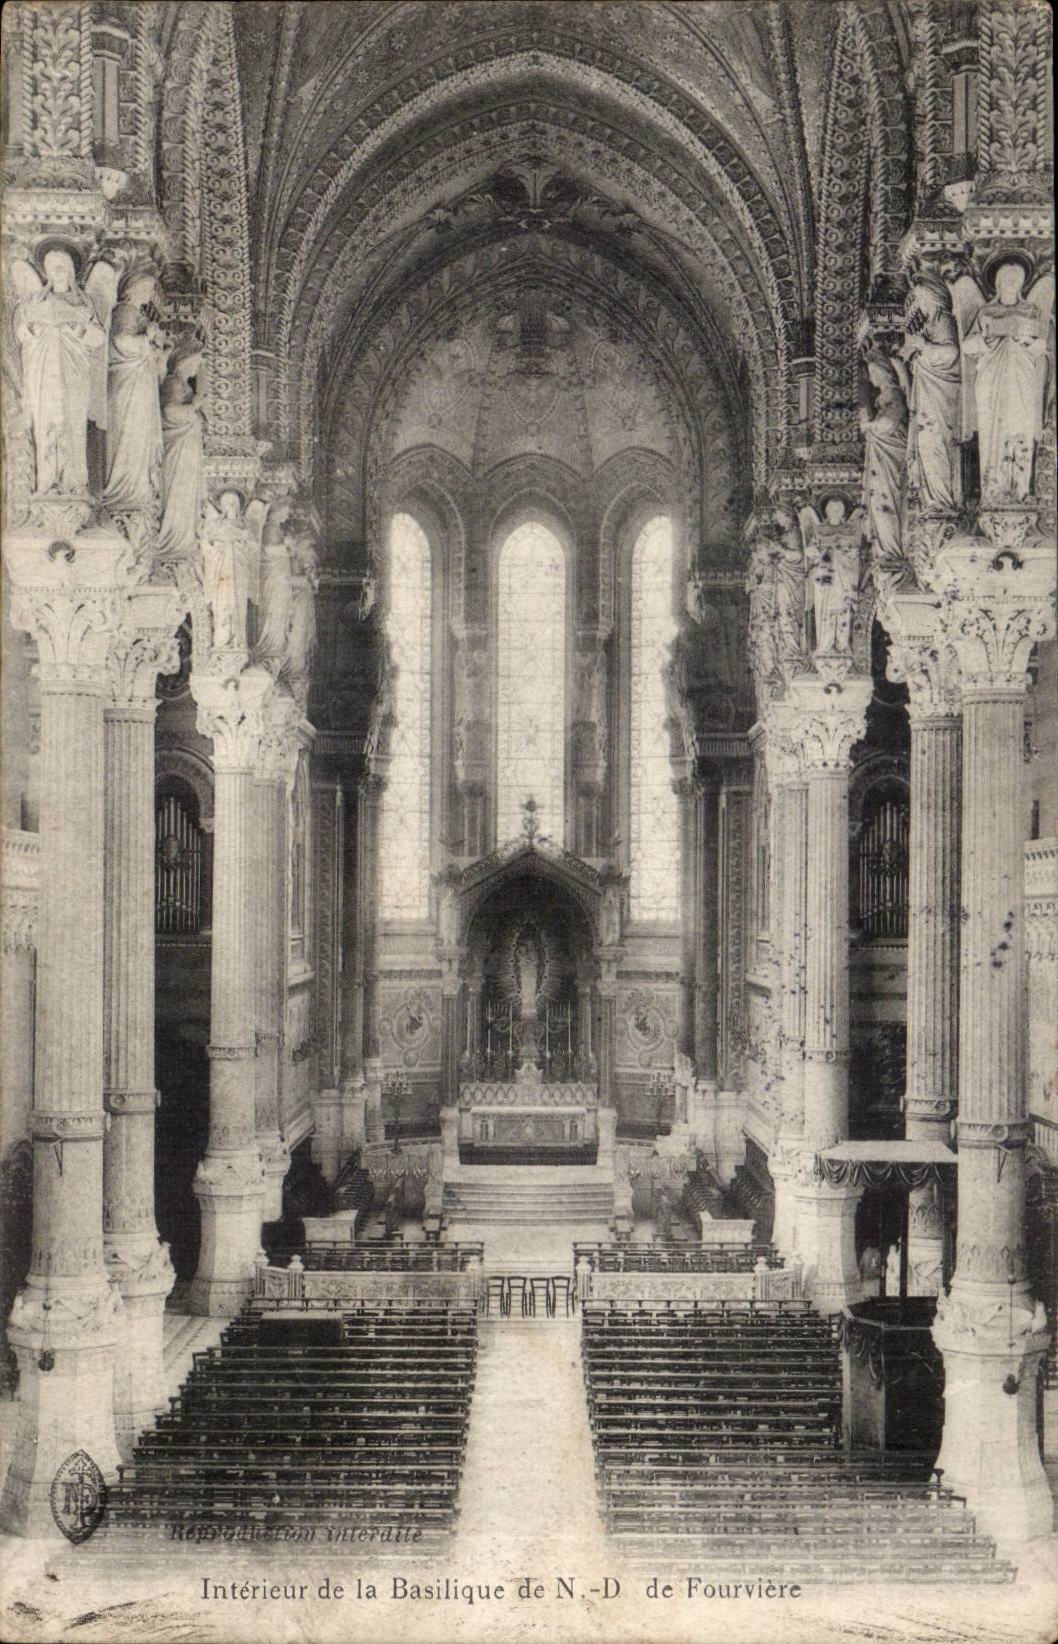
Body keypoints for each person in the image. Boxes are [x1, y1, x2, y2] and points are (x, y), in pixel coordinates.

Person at [14, 246, 105, 494]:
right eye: (52, 267)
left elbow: (98, 337)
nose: (57, 271)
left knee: (72, 421)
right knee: (46, 421)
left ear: (71, 270)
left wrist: (79, 331)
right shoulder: (37, 300)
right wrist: (32, 329)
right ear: (46, 272)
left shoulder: (83, 301)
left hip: (73, 370)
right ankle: (48, 481)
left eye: (62, 266)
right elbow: (22, 333)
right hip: (43, 371)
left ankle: (73, 483)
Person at [962, 259, 1049, 501]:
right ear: (998, 284)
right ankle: (993, 490)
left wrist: (1025, 340)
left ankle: (1019, 488)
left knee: (1019, 427)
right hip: (992, 380)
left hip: (1021, 380)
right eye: (1006, 280)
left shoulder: (1030, 311)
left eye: (1015, 280)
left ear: (1021, 285)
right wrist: (988, 337)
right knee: (994, 430)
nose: (1011, 284)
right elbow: (968, 345)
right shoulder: (986, 312)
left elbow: (1042, 345)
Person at [104, 263, 165, 507]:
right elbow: (119, 342)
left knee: (139, 436)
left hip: (140, 383)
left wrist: (157, 348)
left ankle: (137, 487)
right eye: (147, 289)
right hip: (127, 383)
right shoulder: (125, 312)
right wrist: (148, 338)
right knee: (129, 433)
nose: (149, 294)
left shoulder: (138, 315)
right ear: (133, 288)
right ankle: (125, 488)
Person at [158, 341, 206, 556]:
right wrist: (194, 406)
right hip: (177, 450)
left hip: (187, 453)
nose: (198, 368)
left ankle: (182, 541)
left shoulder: (184, 386)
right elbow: (168, 413)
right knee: (177, 496)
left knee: (186, 499)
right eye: (197, 362)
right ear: (185, 361)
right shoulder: (173, 384)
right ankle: (173, 542)